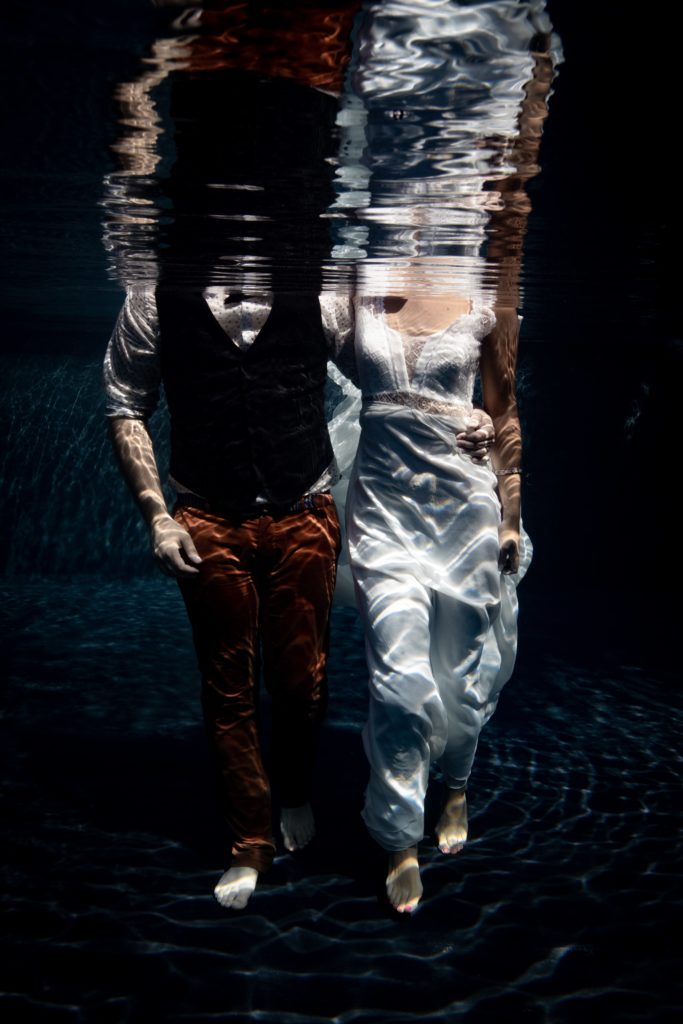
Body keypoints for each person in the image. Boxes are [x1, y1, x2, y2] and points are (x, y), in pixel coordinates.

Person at [338, 286, 530, 914]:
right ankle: (398, 837)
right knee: (398, 680)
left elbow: (504, 414)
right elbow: (310, 354)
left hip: (465, 513)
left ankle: (455, 783)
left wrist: (509, 518)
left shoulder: (487, 293)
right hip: (383, 512)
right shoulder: (358, 279)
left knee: (458, 676)